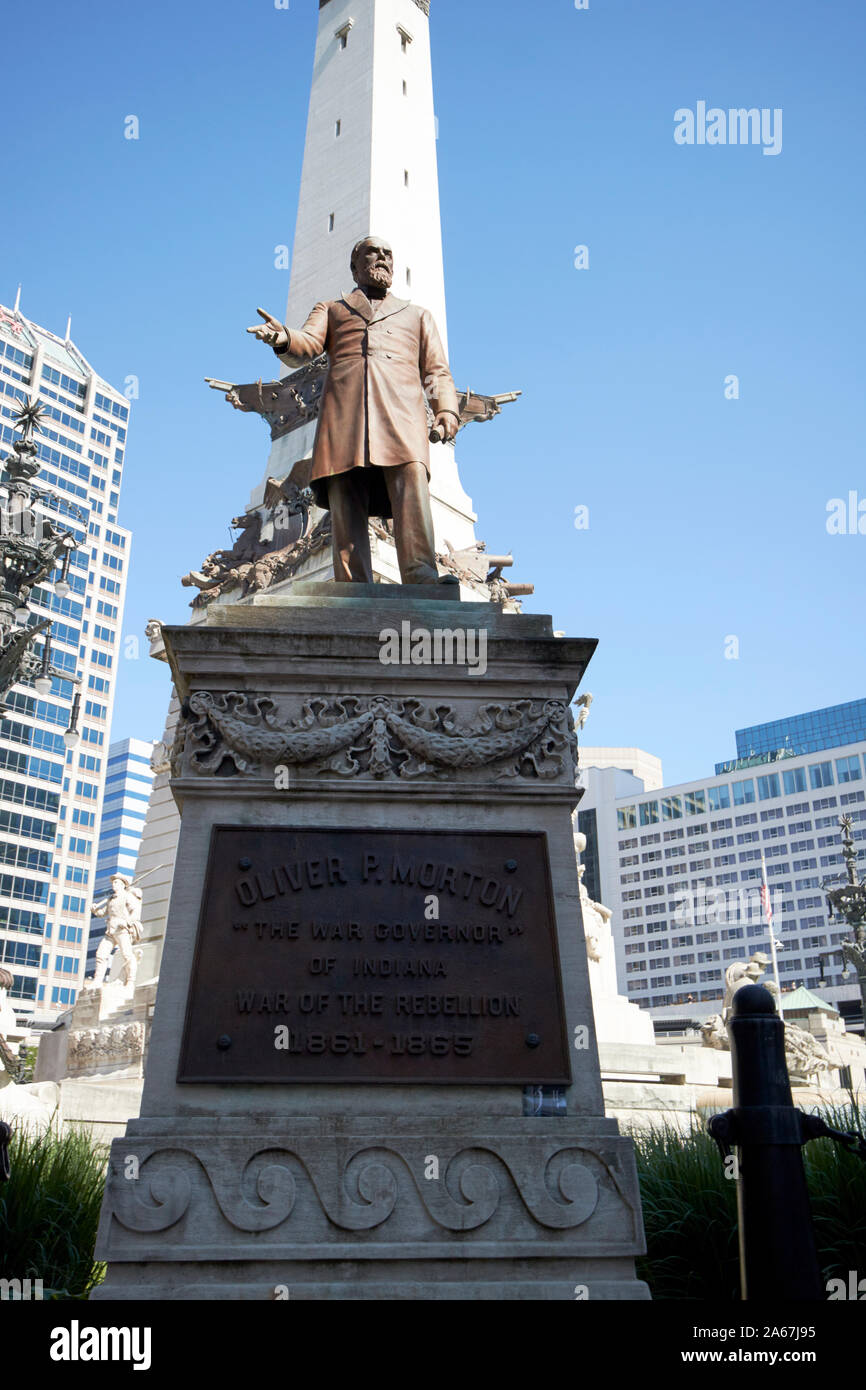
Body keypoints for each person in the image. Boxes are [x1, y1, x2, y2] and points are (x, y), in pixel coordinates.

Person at [248, 237, 460, 586]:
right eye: (373, 253)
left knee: (411, 488)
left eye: (388, 254)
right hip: (344, 417)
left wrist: (446, 411)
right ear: (354, 266)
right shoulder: (332, 309)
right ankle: (352, 584)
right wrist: (283, 338)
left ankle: (422, 574)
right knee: (345, 494)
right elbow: (308, 345)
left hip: (402, 418)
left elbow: (436, 371)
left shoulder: (417, 315)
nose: (382, 259)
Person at [90, 875, 142, 988]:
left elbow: (135, 912)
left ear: (123, 885)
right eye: (113, 882)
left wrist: (127, 922)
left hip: (122, 930)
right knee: (101, 954)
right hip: (110, 930)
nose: (114, 884)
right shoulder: (111, 899)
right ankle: (97, 981)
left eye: (116, 882)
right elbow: (102, 913)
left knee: (127, 955)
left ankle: (130, 981)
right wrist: (95, 910)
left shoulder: (127, 896)